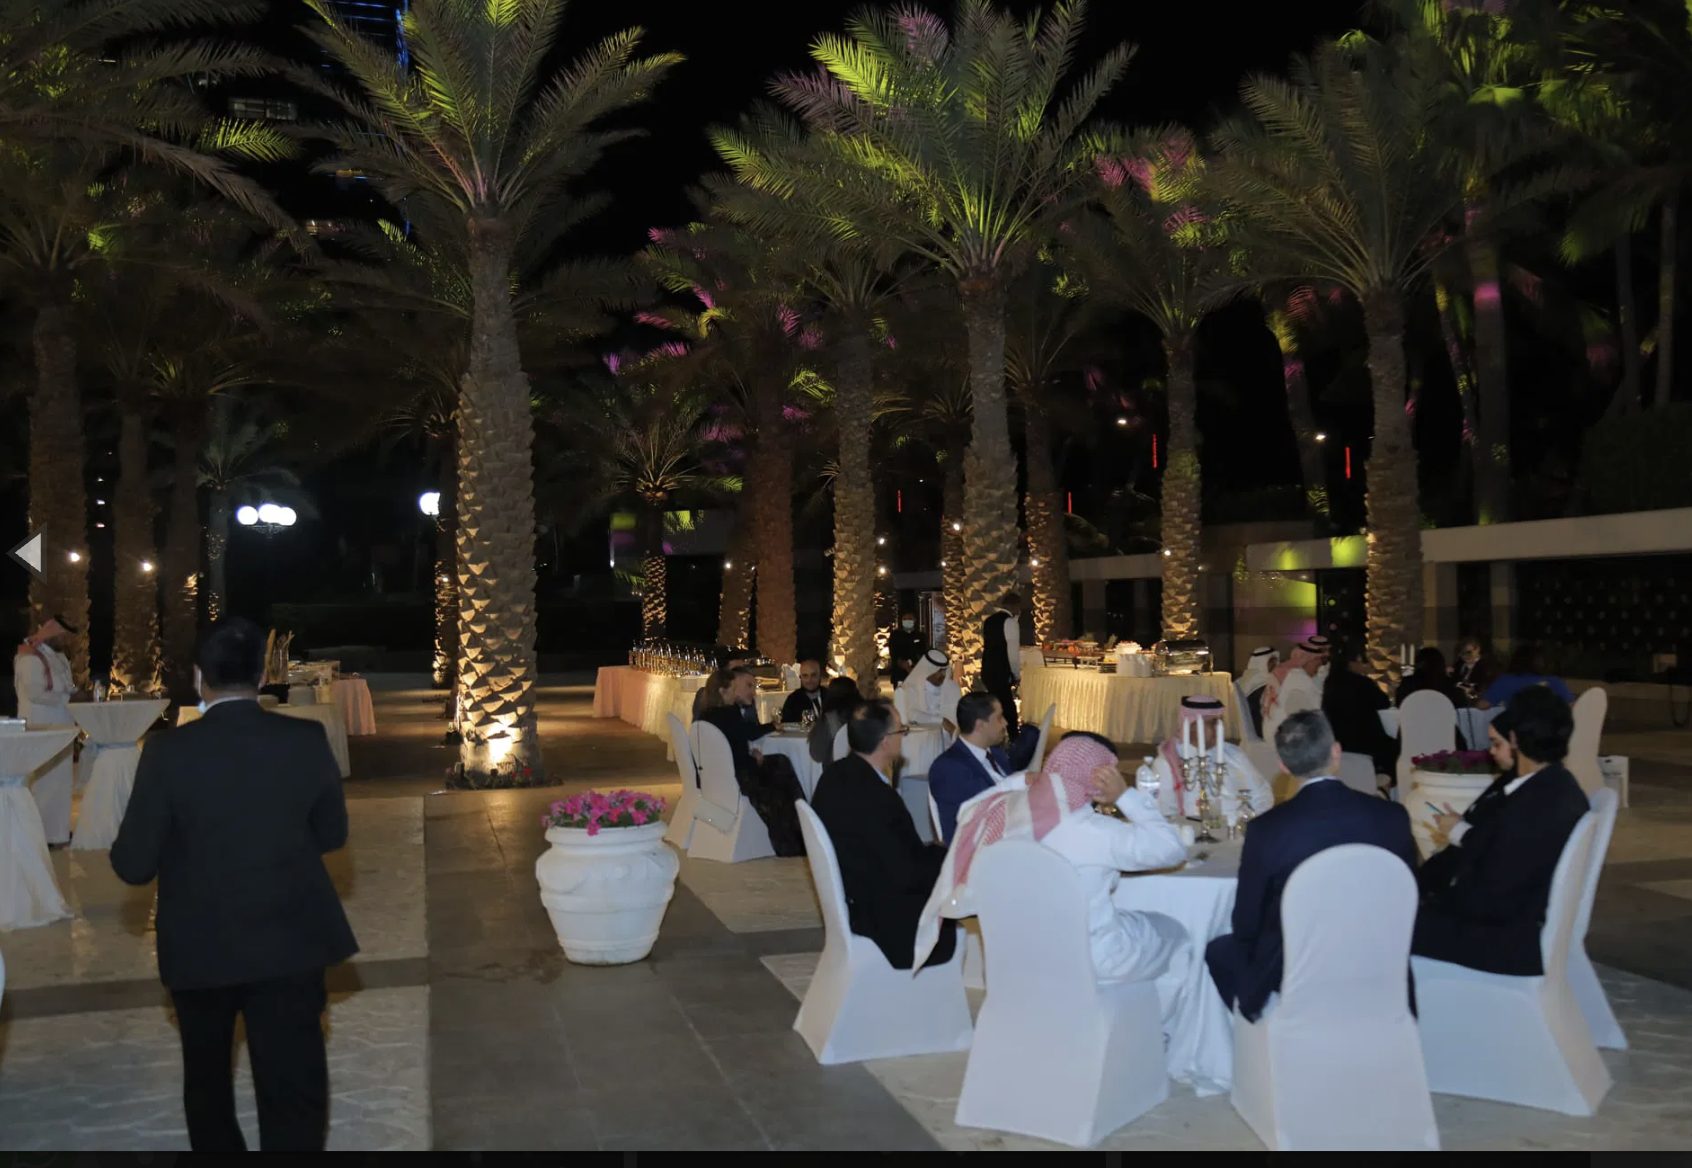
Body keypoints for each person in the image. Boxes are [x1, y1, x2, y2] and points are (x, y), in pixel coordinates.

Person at [110, 617, 357, 1151]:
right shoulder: (306, 738)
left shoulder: (168, 753)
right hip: (291, 940)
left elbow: (133, 865)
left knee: (208, 1086)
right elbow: (332, 834)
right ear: (261, 677)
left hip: (201, 948)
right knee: (294, 1087)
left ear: (200, 678)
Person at [915, 731, 1189, 983]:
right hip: (1091, 961)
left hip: (1015, 963)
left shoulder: (1007, 815)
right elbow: (1172, 848)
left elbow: (968, 811)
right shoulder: (1094, 830)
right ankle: (1155, 1019)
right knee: (1178, 935)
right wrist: (1125, 796)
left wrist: (1018, 780)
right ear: (1099, 779)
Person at [1205, 711, 1420, 1023]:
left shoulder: (1268, 829)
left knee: (1219, 951)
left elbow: (1246, 923)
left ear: (1283, 765)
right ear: (1336, 752)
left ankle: (1265, 1033)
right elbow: (1409, 896)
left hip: (1298, 968)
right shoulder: (1392, 816)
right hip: (1377, 960)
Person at [1413, 688, 1589, 976]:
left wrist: (1433, 901)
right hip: (1522, 927)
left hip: (1507, 941)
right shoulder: (1558, 787)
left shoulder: (1533, 806)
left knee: (1386, 924)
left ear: (1515, 738)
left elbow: (1491, 894)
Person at [811, 700, 956, 969]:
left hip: (855, 893)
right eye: (902, 730)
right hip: (886, 921)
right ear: (885, 741)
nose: (903, 736)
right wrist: (946, 857)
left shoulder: (833, 777)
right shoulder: (878, 798)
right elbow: (906, 873)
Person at [696, 667, 807, 856]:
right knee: (781, 773)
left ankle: (796, 831)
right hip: (738, 776)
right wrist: (754, 759)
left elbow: (730, 746)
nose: (735, 693)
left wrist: (751, 755)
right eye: (733, 689)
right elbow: (744, 741)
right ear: (723, 691)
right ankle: (798, 833)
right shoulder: (729, 713)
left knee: (779, 763)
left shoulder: (705, 715)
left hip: (715, 776)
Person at [926, 692, 1040, 843]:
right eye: (999, 718)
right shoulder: (948, 767)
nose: (1005, 723)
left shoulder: (995, 753)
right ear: (980, 725)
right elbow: (968, 821)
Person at [1152, 695, 1274, 823]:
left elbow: (1262, 793)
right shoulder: (1167, 763)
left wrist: (1251, 821)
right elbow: (1165, 814)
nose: (1220, 728)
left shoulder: (1233, 753)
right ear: (1192, 725)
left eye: (1221, 722)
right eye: (1213, 722)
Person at [14, 615, 78, 847]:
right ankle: (40, 835)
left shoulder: (59, 657)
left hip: (61, 726)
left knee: (60, 781)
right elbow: (35, 693)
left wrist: (75, 694)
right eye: (62, 636)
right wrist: (66, 698)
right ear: (52, 635)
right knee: (42, 783)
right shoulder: (30, 656)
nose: (65, 641)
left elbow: (66, 686)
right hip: (41, 726)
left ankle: (57, 833)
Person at [1321, 641, 1399, 785]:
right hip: (1366, 743)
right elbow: (1383, 703)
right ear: (1357, 659)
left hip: (1339, 742)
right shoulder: (1362, 683)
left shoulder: (1329, 683)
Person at [1260, 640, 1324, 745]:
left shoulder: (1279, 671)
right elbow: (1318, 710)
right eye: (1318, 661)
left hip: (1270, 735)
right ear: (1307, 660)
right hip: (1286, 741)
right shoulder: (1298, 676)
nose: (1320, 665)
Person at [980, 592, 1024, 736]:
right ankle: (1013, 738)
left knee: (995, 705)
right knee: (1008, 708)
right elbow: (1012, 652)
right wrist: (1016, 674)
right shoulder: (1010, 622)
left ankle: (994, 734)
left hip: (988, 670)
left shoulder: (989, 621)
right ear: (1015, 606)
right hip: (1002, 672)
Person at [1479, 643, 1575, 708]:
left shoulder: (1505, 681)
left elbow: (1482, 706)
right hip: (1548, 730)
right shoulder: (1554, 682)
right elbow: (1573, 708)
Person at [894, 648, 961, 734]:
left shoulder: (952, 688)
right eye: (939, 671)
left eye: (944, 670)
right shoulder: (911, 687)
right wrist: (942, 722)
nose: (943, 675)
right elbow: (910, 714)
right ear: (928, 670)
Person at [807, 676, 862, 765]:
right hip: (865, 769)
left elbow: (817, 754)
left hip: (837, 770)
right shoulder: (866, 715)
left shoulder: (829, 719)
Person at [1238, 646, 1279, 738]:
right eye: (1273, 662)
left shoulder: (1244, 680)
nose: (1277, 665)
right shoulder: (1263, 684)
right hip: (1262, 731)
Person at [779, 658, 828, 724]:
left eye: (813, 675)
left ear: (820, 675)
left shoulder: (830, 697)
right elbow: (785, 725)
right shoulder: (793, 701)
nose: (809, 680)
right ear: (800, 677)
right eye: (805, 676)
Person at [888, 612, 927, 687]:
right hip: (899, 673)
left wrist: (910, 662)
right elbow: (893, 651)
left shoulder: (920, 636)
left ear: (914, 620)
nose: (907, 621)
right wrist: (901, 662)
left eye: (910, 618)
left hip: (915, 672)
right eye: (905, 619)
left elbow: (922, 652)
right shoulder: (895, 635)